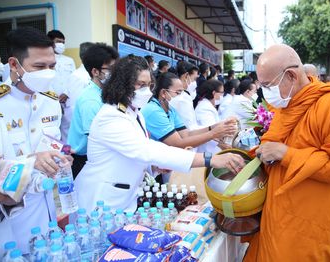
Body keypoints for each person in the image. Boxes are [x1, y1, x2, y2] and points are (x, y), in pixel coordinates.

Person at [243, 44, 330, 261]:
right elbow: (273, 147)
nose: (265, 93)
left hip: (311, 226)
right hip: (277, 217)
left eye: (267, 85)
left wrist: (286, 154)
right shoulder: (285, 104)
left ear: (290, 75)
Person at [74, 56, 245, 212]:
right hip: (102, 200)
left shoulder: (134, 112)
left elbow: (133, 155)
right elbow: (146, 150)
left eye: (149, 86)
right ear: (122, 84)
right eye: (140, 85)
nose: (146, 91)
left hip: (125, 197)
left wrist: (154, 168)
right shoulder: (110, 117)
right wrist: (210, 159)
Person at [0, 27, 71, 259]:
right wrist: (31, 163)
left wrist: (61, 156)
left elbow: (52, 143)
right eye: (39, 67)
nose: (47, 73)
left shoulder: (50, 103)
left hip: (45, 211)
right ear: (14, 65)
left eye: (52, 66)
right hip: (6, 219)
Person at [67, 43, 119, 178]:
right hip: (84, 159)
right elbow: (95, 139)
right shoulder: (90, 100)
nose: (115, 73)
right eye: (110, 69)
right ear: (95, 72)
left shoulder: (104, 93)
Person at [47, 30, 76, 142]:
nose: (61, 45)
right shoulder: (46, 60)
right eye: (58, 41)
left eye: (63, 42)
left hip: (66, 100)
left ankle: (67, 154)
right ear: (50, 42)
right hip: (51, 100)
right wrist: (54, 97)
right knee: (52, 129)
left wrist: (66, 93)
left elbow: (73, 79)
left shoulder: (69, 60)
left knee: (67, 129)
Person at [195, 79, 231, 154]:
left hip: (212, 147)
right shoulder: (204, 108)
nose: (222, 96)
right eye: (221, 93)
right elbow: (210, 131)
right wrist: (221, 145)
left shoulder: (208, 105)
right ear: (214, 93)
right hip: (208, 149)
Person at [168, 61, 199, 129]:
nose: (195, 83)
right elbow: (189, 128)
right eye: (194, 79)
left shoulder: (179, 94)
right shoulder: (182, 99)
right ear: (186, 76)